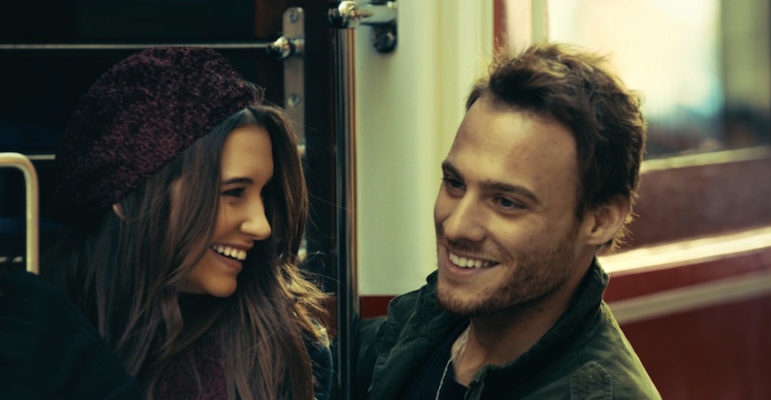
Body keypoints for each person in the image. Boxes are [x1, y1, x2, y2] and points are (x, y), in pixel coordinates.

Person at [0, 47, 331, 399]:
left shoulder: (286, 350)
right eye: (234, 192)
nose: (261, 226)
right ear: (127, 199)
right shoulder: (31, 338)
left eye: (263, 194)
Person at [353, 43, 661, 399]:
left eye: (506, 202)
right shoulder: (408, 334)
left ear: (600, 221)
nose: (455, 227)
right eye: (454, 183)